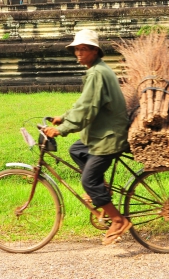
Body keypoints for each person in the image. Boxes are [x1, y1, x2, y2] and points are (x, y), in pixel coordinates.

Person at [42, 29, 132, 245]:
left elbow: (87, 110)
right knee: (77, 150)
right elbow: (83, 103)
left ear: (95, 51)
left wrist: (61, 130)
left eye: (84, 49)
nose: (79, 53)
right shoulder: (97, 70)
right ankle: (101, 189)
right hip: (103, 133)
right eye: (77, 49)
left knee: (88, 180)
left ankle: (118, 220)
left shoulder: (96, 73)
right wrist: (62, 118)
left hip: (109, 137)